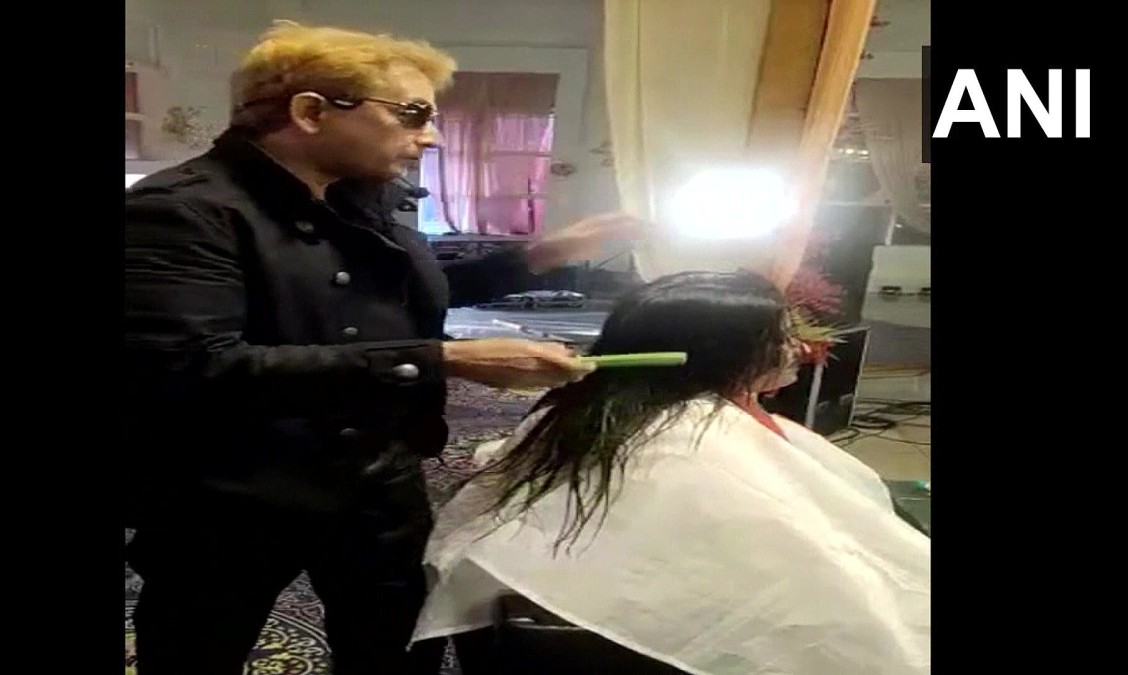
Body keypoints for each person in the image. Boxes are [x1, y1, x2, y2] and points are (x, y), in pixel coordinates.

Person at [124, 21, 640, 675]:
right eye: (412, 113)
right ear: (311, 112)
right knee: (196, 653)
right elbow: (193, 367)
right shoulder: (184, 211)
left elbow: (405, 297)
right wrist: (444, 359)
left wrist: (541, 254)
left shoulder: (357, 200)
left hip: (376, 479)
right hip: (229, 493)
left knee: (395, 651)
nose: (432, 136)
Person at [412, 270, 931, 675]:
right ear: (719, 355)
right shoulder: (689, 439)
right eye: (779, 337)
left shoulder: (600, 406)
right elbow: (797, 553)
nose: (799, 349)